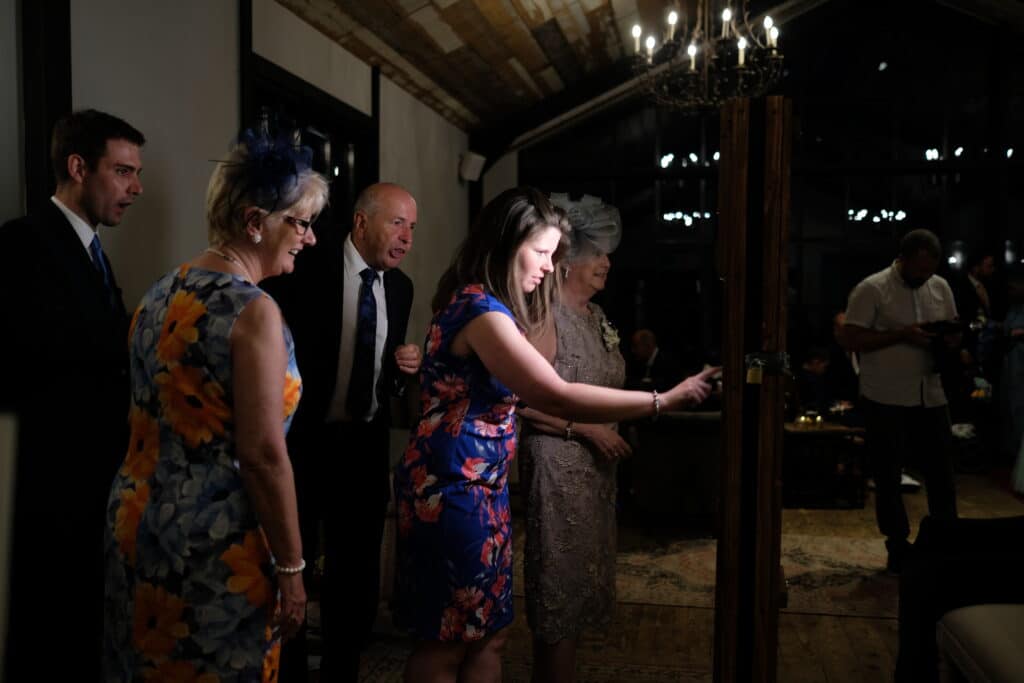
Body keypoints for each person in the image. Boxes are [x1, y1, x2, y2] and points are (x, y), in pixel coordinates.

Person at [392, 187, 719, 682]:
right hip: (450, 490)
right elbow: (557, 395)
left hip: (486, 489)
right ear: (507, 244)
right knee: (446, 642)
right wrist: (662, 400)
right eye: (541, 252)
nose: (548, 265)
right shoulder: (479, 312)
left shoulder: (499, 309)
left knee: (489, 636)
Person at [103, 129, 326, 679]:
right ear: (255, 222)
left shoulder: (161, 291)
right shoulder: (253, 313)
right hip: (213, 551)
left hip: (137, 525)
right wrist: (293, 568)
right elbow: (263, 456)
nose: (311, 238)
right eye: (299, 222)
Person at [0, 109, 144, 680]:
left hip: (93, 482)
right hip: (49, 481)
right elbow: (45, 355)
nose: (136, 188)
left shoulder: (92, 251)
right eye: (124, 171)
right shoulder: (22, 244)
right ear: (78, 166)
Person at [265, 182, 421, 681]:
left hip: (364, 445)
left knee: (354, 578)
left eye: (412, 228)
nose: (406, 237)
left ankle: (341, 670)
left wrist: (402, 367)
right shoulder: (306, 266)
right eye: (397, 223)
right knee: (293, 562)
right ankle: (288, 672)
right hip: (303, 443)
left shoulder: (401, 288)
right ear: (360, 223)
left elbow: (383, 373)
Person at [841, 228, 959, 574]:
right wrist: (903, 334)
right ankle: (896, 544)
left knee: (942, 472)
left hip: (931, 391)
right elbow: (853, 337)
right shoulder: (872, 288)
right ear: (903, 259)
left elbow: (951, 328)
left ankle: (946, 541)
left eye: (929, 270)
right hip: (886, 394)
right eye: (919, 270)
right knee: (888, 473)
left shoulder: (940, 287)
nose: (924, 277)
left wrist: (949, 339)